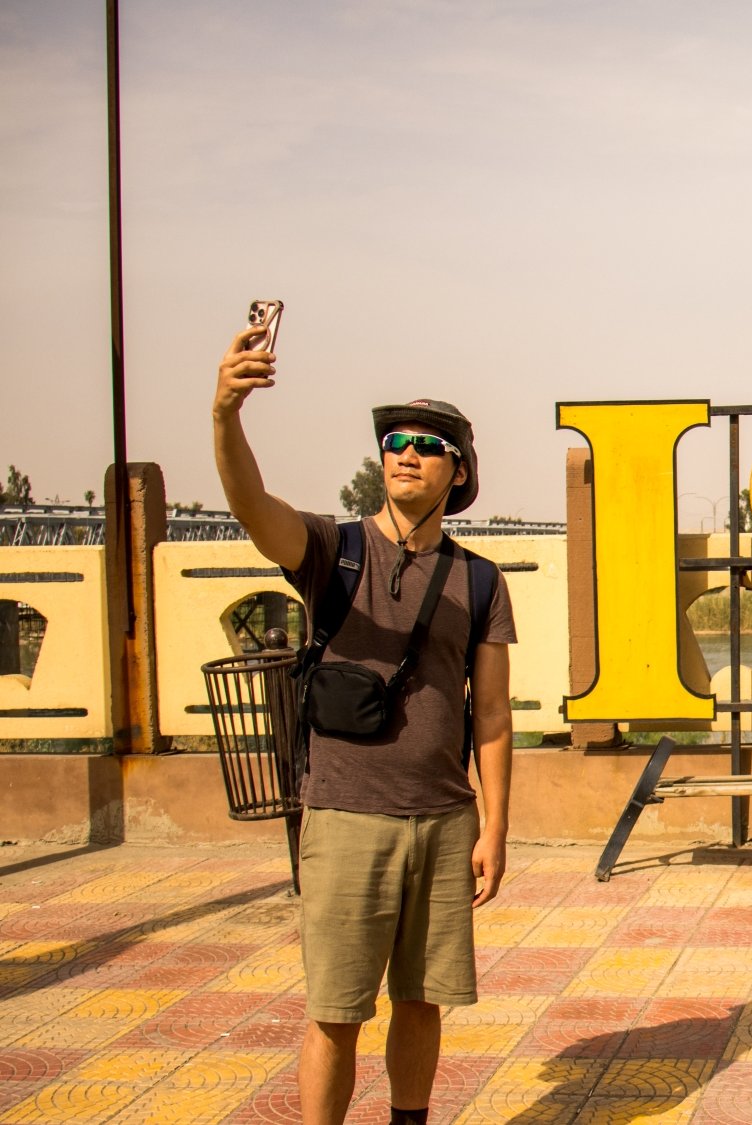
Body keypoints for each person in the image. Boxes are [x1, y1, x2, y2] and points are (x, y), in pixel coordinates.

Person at [211, 325, 516, 1125]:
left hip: (445, 820)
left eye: (427, 444)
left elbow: (493, 713)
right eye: (394, 441)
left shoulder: (480, 581)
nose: (405, 453)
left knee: (423, 1001)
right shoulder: (331, 548)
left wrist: (495, 825)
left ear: (459, 470)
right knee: (337, 1010)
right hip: (346, 816)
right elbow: (250, 505)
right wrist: (225, 417)